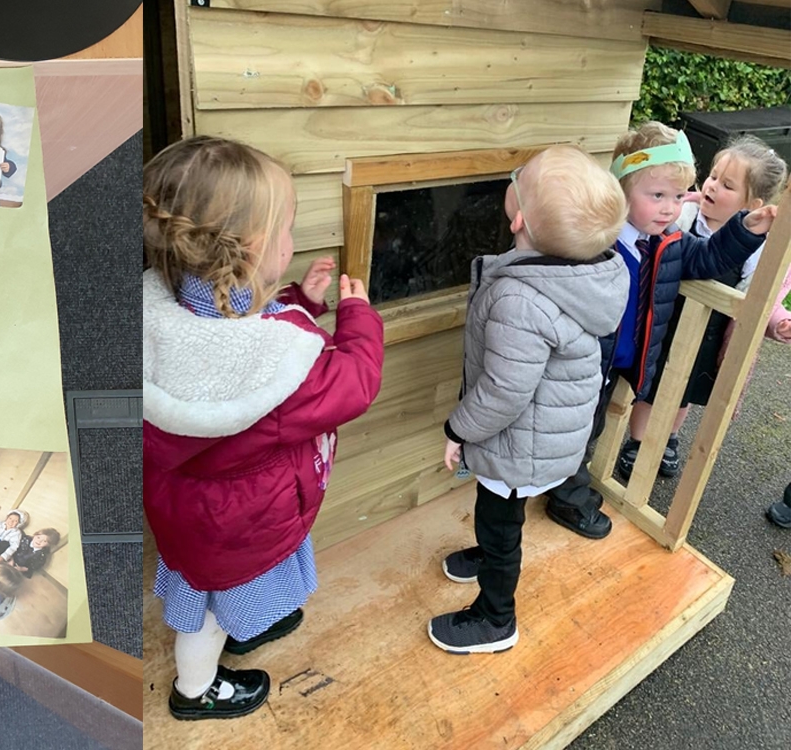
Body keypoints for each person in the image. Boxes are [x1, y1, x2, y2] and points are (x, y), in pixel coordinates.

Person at [143, 136, 383, 721]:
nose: (293, 242)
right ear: (251, 247)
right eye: (288, 231)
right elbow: (351, 383)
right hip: (243, 521)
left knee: (216, 587)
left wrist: (300, 298)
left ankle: (246, 619)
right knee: (207, 614)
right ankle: (195, 692)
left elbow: (251, 330)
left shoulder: (166, 308)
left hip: (193, 514)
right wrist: (359, 318)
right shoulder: (272, 363)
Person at [431, 146, 629, 654]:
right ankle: (488, 550)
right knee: (502, 512)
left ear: (516, 216)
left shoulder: (520, 298)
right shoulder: (594, 272)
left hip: (521, 442)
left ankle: (496, 618)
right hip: (547, 435)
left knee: (498, 517)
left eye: (519, 177)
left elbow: (503, 391)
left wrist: (458, 430)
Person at [543, 122, 776, 540]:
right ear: (620, 190)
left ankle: (560, 484)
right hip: (582, 362)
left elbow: (706, 259)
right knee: (570, 430)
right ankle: (567, 499)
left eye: (676, 197)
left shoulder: (667, 241)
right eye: (657, 196)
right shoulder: (599, 244)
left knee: (588, 428)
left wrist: (744, 230)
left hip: (615, 365)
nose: (671, 208)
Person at [622, 136, 789, 480]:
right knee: (652, 388)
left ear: (752, 204)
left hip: (708, 335)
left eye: (727, 185)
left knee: (685, 391)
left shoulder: (758, 248)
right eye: (713, 176)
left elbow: (760, 296)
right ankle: (637, 441)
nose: (711, 185)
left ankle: (668, 437)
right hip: (667, 321)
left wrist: (779, 321)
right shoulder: (681, 216)